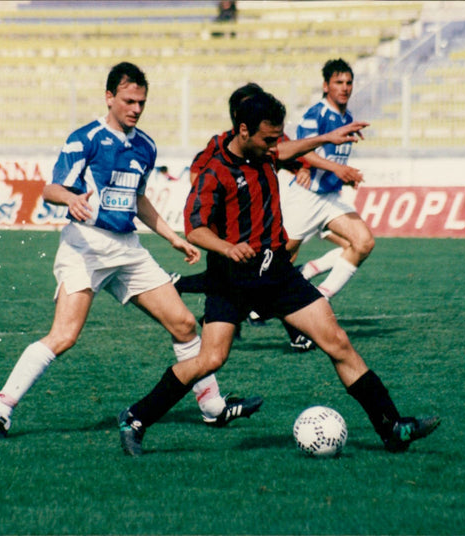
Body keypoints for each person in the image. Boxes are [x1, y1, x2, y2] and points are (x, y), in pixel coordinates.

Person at [118, 89, 440, 456]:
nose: (275, 144)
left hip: (279, 275)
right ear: (243, 131)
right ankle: (136, 417)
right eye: (268, 137)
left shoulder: (264, 153)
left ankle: (392, 428)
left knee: (337, 341)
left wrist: (325, 139)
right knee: (210, 359)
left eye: (277, 136)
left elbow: (284, 151)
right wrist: (227, 247)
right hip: (232, 281)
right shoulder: (214, 172)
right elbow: (195, 229)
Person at [0, 62, 261, 439]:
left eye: (141, 102)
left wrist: (171, 237)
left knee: (183, 323)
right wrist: (70, 200)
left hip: (128, 248)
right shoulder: (86, 138)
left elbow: (138, 199)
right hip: (86, 246)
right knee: (63, 336)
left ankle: (212, 407)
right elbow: (50, 188)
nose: (136, 108)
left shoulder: (145, 145)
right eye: (129, 100)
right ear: (109, 97)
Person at [173, 82, 315, 352]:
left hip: (257, 233)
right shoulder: (219, 144)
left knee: (271, 269)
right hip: (229, 233)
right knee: (254, 276)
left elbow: (285, 154)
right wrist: (219, 204)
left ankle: (185, 287)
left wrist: (301, 169)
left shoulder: (264, 144)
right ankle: (292, 331)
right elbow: (198, 176)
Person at [281, 59, 374, 303]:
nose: (344, 87)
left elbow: (330, 157)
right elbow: (303, 152)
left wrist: (344, 177)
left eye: (348, 82)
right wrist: (338, 169)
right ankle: (252, 307)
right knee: (280, 259)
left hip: (330, 198)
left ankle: (319, 299)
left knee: (363, 243)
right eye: (338, 82)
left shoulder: (348, 118)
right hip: (306, 196)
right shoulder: (315, 115)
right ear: (326, 86)